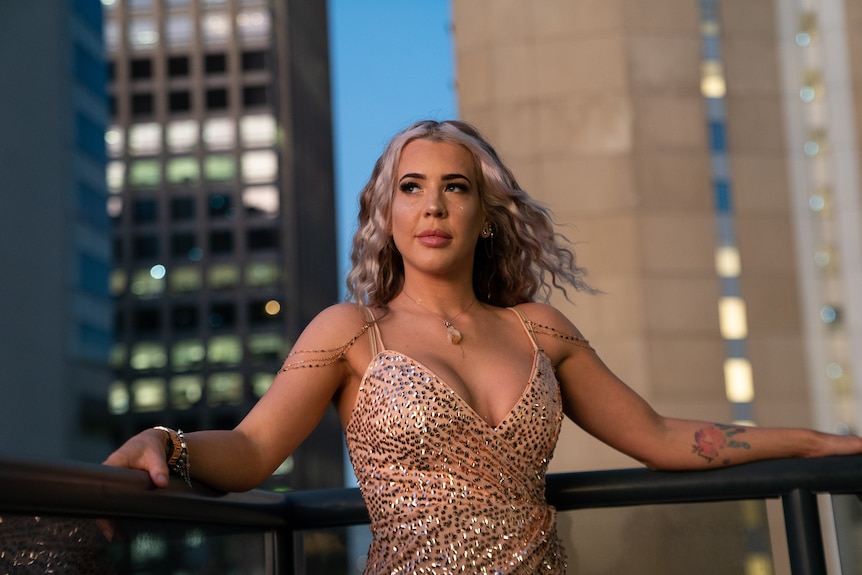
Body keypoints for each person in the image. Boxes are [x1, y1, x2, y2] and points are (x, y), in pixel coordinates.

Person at [105, 119, 862, 574]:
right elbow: (250, 448)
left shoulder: (541, 329)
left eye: (455, 187)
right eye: (411, 186)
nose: (433, 203)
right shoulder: (349, 332)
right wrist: (166, 443)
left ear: (485, 213)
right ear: (386, 213)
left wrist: (820, 442)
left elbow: (664, 438)